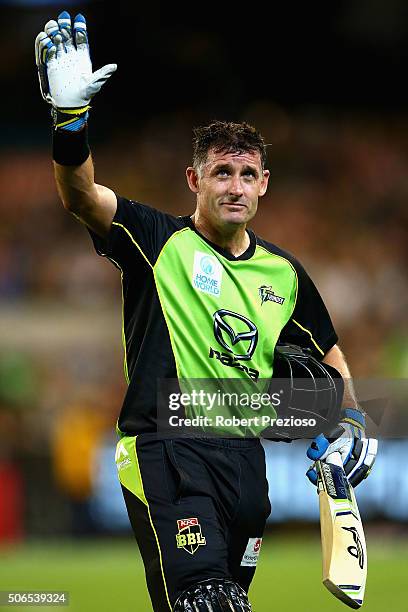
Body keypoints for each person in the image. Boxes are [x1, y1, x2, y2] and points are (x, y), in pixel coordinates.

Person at [35, 11, 378, 611]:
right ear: (194, 178)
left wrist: (349, 420)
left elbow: (327, 351)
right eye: (222, 173)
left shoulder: (285, 273)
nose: (235, 187)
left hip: (245, 461)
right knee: (205, 602)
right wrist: (70, 124)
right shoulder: (156, 239)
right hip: (165, 449)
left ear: (264, 184)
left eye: (247, 175)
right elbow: (80, 195)